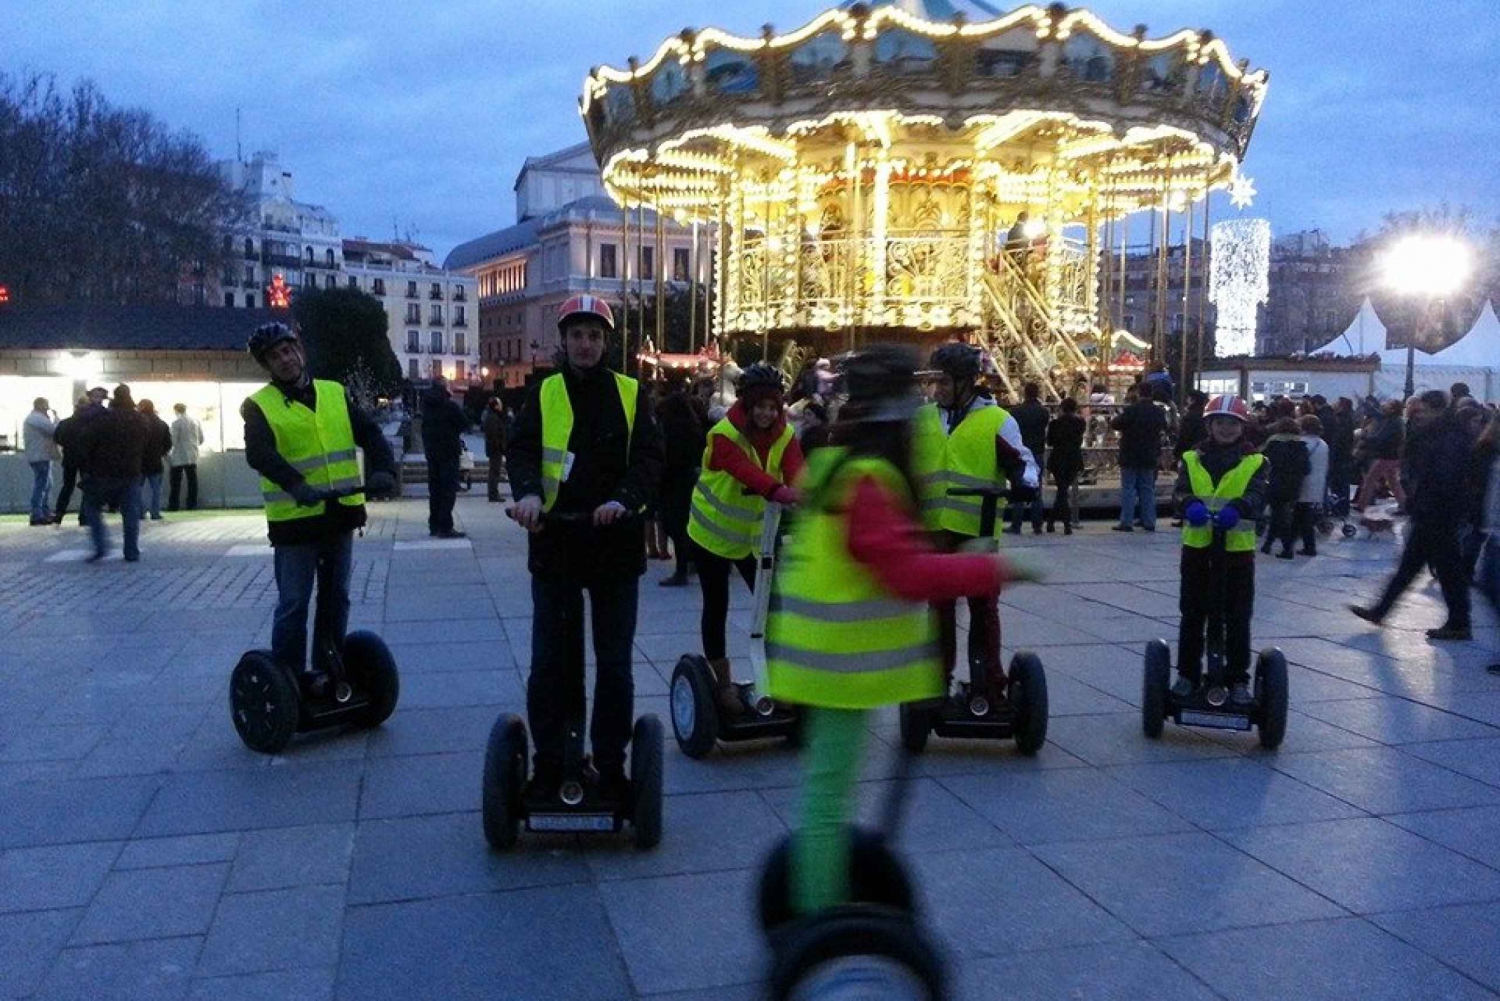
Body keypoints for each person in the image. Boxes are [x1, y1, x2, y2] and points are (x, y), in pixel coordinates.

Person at [766, 345, 1038, 916]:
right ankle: (816, 924)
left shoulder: (836, 461)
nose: (924, 404)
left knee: (828, 793)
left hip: (825, 659)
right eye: (915, 395)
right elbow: (906, 573)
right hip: (838, 666)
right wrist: (999, 566)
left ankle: (821, 899)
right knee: (825, 803)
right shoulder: (869, 478)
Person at [507, 295, 664, 802]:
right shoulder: (543, 392)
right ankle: (551, 762)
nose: (586, 344)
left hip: (613, 546)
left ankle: (612, 764)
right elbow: (522, 450)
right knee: (552, 662)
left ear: (606, 342)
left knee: (614, 663)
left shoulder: (631, 393)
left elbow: (648, 459)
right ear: (564, 339)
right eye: (577, 334)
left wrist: (625, 500)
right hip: (554, 542)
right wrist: (528, 494)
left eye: (595, 335)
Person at [241, 322, 398, 682]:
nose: (285, 359)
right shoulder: (258, 406)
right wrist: (296, 484)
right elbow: (259, 454)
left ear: (300, 350)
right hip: (295, 521)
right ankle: (289, 679)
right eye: (274, 356)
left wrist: (384, 469)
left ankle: (329, 669)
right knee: (294, 602)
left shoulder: (333, 393)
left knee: (336, 597)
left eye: (288, 350)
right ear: (266, 365)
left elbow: (369, 432)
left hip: (339, 513)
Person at [916, 343, 1038, 693]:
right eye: (933, 382)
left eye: (943, 382)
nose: (936, 389)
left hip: (978, 529)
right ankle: (935, 679)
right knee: (939, 606)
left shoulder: (997, 420)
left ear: (967, 382)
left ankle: (989, 679)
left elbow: (1023, 462)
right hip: (936, 531)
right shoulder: (924, 418)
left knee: (983, 605)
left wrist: (1025, 483)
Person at [687, 363, 804, 713]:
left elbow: (798, 468)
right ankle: (722, 684)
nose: (767, 413)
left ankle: (777, 680)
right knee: (717, 604)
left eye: (773, 406)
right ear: (747, 406)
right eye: (760, 406)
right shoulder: (724, 434)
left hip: (755, 538)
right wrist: (777, 490)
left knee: (772, 607)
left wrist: (808, 491)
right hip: (711, 534)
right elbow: (743, 470)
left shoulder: (784, 435)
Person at [1351, 390, 1473, 640]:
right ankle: (1382, 611)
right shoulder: (1443, 432)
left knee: (1443, 570)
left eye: (1423, 410)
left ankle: (1458, 623)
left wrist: (1423, 502)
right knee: (1419, 566)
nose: (1419, 415)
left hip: (1439, 511)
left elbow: (1443, 477)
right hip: (1434, 510)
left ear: (1435, 409)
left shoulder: (1448, 436)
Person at [1172, 395, 1268, 704]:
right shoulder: (1191, 458)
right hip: (1198, 550)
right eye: (1220, 422)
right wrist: (1188, 505)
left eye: (1232, 423)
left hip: (1237, 553)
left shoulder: (1256, 461)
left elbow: (1258, 494)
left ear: (1242, 427)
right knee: (1192, 615)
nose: (1226, 429)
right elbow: (1180, 493)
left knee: (1238, 617)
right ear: (1209, 425)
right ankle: (1187, 675)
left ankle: (1237, 679)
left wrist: (1241, 507)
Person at [75, 385, 149, 562]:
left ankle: (101, 544)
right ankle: (131, 551)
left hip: (103, 472)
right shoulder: (140, 420)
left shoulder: (104, 419)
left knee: (92, 506)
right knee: (130, 511)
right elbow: (146, 442)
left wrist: (88, 463)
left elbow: (85, 441)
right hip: (131, 471)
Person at [656, 377, 707, 587]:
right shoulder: (695, 430)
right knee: (689, 525)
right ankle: (692, 561)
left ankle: (681, 569)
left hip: (673, 483)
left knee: (677, 527)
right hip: (691, 481)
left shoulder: (669, 431)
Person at [1111, 384, 1168, 532]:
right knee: (1147, 488)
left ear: (1138, 393)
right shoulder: (1157, 412)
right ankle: (1149, 520)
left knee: (1128, 488)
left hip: (1130, 453)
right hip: (1149, 453)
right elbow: (1165, 426)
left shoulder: (1131, 410)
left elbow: (1115, 424)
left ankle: (1126, 521)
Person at [419, 378, 468, 538]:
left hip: (432, 453)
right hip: (449, 452)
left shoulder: (426, 406)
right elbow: (464, 424)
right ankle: (445, 526)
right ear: (444, 388)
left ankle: (434, 525)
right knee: (448, 490)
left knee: (435, 490)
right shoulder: (450, 406)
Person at [1259, 417, 1309, 559]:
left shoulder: (1273, 443)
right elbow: (1306, 468)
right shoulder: (1301, 445)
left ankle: (1287, 548)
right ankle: (1268, 545)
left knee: (1279, 515)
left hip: (1275, 483)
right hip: (1294, 485)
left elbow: (1263, 462)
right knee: (1278, 514)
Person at [1006, 382, 1049, 535]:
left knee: (1018, 487)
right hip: (1037, 452)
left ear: (1024, 393)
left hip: (1021, 452)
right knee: (1036, 489)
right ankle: (1037, 524)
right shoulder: (1044, 412)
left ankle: (1016, 524)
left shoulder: (1016, 412)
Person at [1353, 399, 1405, 510]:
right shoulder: (1394, 419)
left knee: (1370, 479)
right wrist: (1364, 403)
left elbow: (1381, 438)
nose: (1384, 406)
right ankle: (1404, 504)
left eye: (1387, 404)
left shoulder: (1393, 422)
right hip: (1392, 455)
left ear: (1393, 409)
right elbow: (1375, 413)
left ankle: (1361, 505)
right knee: (1393, 482)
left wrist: (1365, 437)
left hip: (1387, 455)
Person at [52, 395, 95, 526]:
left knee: (67, 486)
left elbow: (57, 439)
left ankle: (59, 514)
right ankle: (84, 516)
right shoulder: (91, 423)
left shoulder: (65, 423)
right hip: (87, 459)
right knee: (87, 487)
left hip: (70, 458)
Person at [1045, 397, 1086, 534]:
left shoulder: (1055, 424)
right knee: (1063, 490)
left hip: (1058, 458)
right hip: (1074, 459)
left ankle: (1060, 523)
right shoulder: (1081, 423)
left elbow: (1050, 442)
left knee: (1061, 490)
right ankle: (1060, 524)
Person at [1294, 414, 1330, 556]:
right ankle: (1292, 542)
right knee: (1303, 514)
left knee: (1302, 516)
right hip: (1318, 483)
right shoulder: (1323, 444)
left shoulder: (1302, 443)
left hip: (1303, 483)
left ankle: (1308, 546)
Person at [23, 397, 58, 526]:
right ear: (40, 405)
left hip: (40, 455)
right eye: (46, 405)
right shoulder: (37, 418)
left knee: (46, 484)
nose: (47, 408)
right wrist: (56, 419)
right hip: (40, 456)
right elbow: (53, 430)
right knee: (41, 485)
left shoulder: (34, 418)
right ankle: (37, 514)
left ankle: (44, 511)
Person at [137, 400, 172, 521]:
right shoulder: (161, 423)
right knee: (156, 490)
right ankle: (155, 512)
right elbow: (168, 443)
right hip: (155, 461)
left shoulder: (137, 422)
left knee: (137, 489)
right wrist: (160, 453)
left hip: (139, 461)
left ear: (141, 407)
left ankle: (140, 512)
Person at [168, 403, 204, 511]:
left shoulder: (176, 423)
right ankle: (192, 504)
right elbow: (201, 439)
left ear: (175, 410)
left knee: (175, 482)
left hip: (179, 455)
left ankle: (174, 505)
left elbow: (173, 441)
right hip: (193, 454)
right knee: (192, 480)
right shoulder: (196, 421)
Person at [482, 396, 508, 503]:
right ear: (496, 406)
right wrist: (501, 446)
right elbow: (493, 436)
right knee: (494, 472)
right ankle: (493, 494)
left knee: (494, 471)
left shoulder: (492, 416)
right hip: (495, 449)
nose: (501, 406)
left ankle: (493, 493)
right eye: (500, 404)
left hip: (494, 448)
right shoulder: (493, 418)